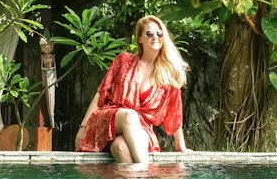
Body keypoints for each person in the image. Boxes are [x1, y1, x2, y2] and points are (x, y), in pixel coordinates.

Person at [75, 16, 190, 163]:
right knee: (129, 115)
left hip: (141, 127)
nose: (155, 37)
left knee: (120, 147)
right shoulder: (124, 61)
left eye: (159, 33)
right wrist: (83, 127)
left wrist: (180, 143)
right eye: (149, 34)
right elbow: (101, 93)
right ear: (140, 39)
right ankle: (147, 175)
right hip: (110, 117)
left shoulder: (168, 73)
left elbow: (174, 109)